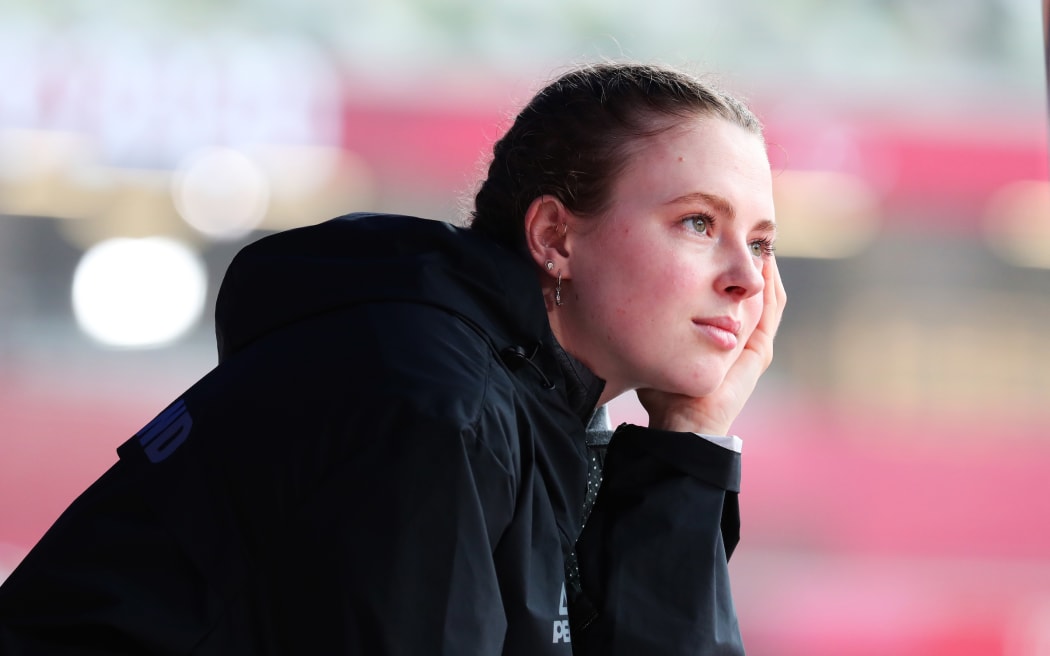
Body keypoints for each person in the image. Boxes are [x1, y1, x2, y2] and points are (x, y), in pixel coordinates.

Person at [0, 61, 785, 655]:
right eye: (695, 223)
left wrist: (688, 439)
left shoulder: (527, 410)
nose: (746, 278)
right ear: (554, 237)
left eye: (759, 242)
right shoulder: (434, 407)